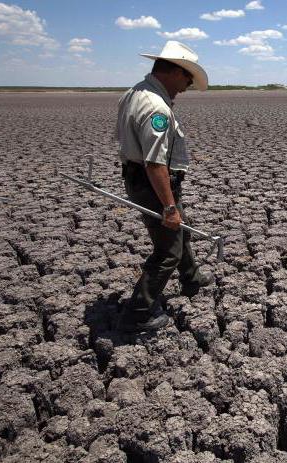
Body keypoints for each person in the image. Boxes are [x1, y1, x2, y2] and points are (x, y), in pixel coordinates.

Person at [116, 41, 213, 332]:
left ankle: (191, 277)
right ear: (173, 71)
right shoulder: (156, 108)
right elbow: (155, 163)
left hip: (142, 179)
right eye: (186, 79)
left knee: (178, 230)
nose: (185, 87)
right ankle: (140, 311)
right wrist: (169, 206)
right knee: (167, 249)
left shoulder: (134, 92)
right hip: (154, 184)